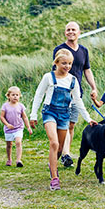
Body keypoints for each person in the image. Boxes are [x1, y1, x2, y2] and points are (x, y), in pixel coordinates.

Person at [30, 51, 97, 191]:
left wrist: (88, 119)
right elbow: (38, 95)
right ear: (56, 63)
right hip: (50, 112)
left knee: (60, 148)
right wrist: (33, 115)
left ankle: (52, 162)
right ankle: (54, 178)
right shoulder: (48, 77)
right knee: (53, 143)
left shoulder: (73, 80)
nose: (67, 66)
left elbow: (78, 101)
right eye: (64, 63)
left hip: (64, 114)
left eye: (70, 63)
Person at [53, 21, 98, 168]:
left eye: (73, 29)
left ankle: (65, 153)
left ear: (79, 33)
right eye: (68, 30)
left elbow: (87, 70)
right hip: (61, 93)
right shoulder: (59, 49)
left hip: (76, 93)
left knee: (71, 125)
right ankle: (64, 154)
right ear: (65, 32)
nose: (70, 32)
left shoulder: (83, 51)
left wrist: (93, 87)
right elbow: (55, 69)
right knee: (64, 125)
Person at [0, 86, 32, 167]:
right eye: (13, 95)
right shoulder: (5, 106)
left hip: (18, 128)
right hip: (8, 129)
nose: (15, 96)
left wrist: (28, 127)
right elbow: (2, 117)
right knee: (9, 145)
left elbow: (24, 117)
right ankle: (9, 159)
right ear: (8, 96)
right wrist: (7, 124)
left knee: (18, 142)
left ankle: (18, 160)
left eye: (17, 95)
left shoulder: (20, 106)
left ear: (19, 96)